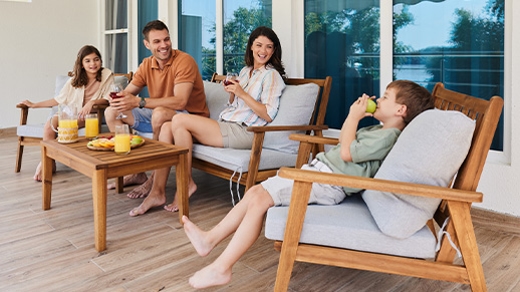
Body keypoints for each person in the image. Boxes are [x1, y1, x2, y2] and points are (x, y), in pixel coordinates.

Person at [182, 80, 436, 289]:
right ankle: (209, 239)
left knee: (259, 200)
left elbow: (346, 153)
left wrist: (352, 117)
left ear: (400, 110)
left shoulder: (389, 135)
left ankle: (222, 268)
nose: (378, 100)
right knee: (255, 192)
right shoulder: (379, 131)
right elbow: (347, 152)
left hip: (327, 183)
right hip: (318, 173)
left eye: (385, 97)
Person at [127, 26, 287, 216]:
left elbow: (268, 114)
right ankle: (157, 192)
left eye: (269, 47)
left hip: (246, 132)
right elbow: (237, 106)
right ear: (251, 47)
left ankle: (185, 184)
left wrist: (242, 93)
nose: (263, 51)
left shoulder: (272, 75)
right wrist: (232, 93)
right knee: (169, 126)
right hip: (228, 125)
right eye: (259, 45)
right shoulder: (246, 71)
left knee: (178, 120)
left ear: (274, 50)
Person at [105, 19, 209, 191]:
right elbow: (129, 92)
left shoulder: (184, 61)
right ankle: (136, 171)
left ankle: (154, 176)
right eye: (157, 41)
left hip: (190, 118)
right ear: (147, 44)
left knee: (159, 113)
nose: (164, 45)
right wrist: (118, 98)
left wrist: (139, 102)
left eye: (166, 39)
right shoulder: (147, 64)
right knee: (111, 112)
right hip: (160, 116)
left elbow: (180, 101)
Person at [18, 45, 114, 182]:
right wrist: (34, 105)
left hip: (89, 116)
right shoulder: (74, 80)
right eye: (88, 61)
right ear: (81, 63)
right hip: (69, 112)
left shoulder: (106, 75)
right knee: (50, 124)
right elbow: (58, 99)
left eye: (96, 59)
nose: (93, 64)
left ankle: (46, 163)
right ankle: (48, 162)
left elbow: (108, 96)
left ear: (100, 60)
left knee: (64, 127)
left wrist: (92, 102)